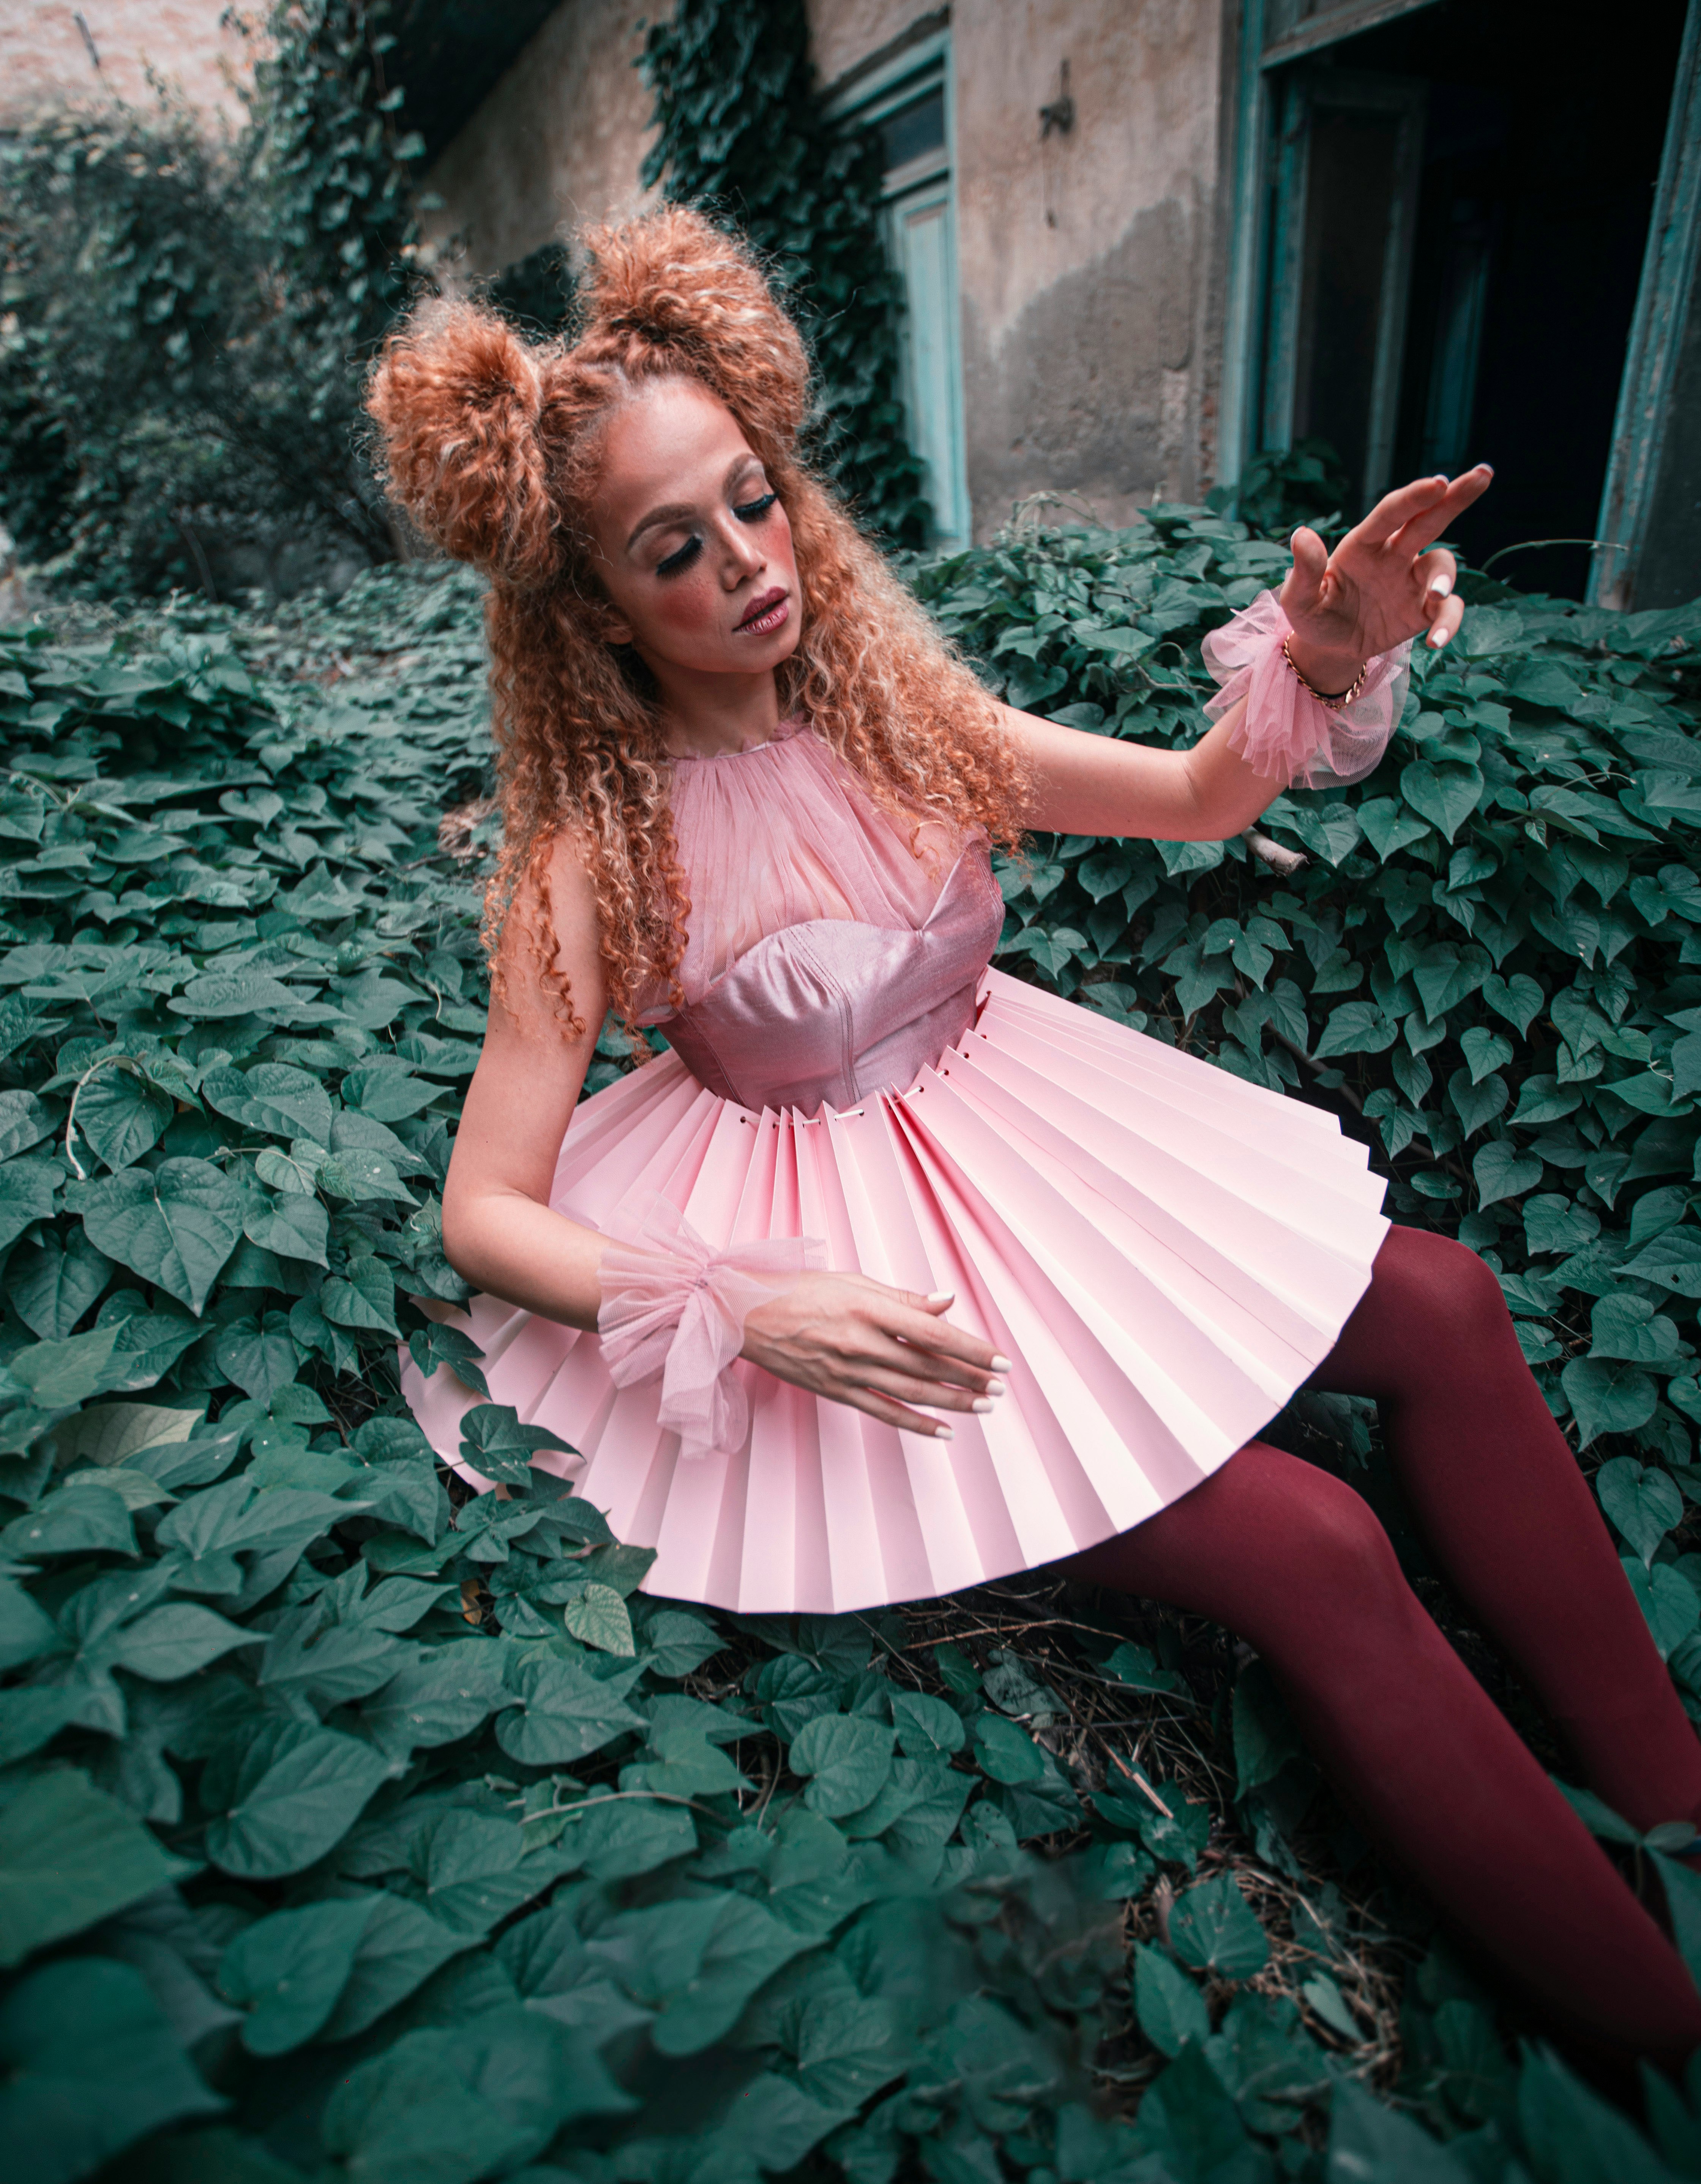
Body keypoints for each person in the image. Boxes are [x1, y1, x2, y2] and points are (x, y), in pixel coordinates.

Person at [367, 207, 1701, 2066]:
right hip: (848, 1248)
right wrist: (740, 1306)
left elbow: (1195, 798)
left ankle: (1684, 1810)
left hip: (1033, 1138)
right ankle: (1669, 2027)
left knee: (1455, 1305)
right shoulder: (592, 859)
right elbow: (485, 1212)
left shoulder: (900, 719)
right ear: (594, 603)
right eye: (677, 547)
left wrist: (1318, 661)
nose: (748, 564)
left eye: (754, 502)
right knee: (1311, 1550)